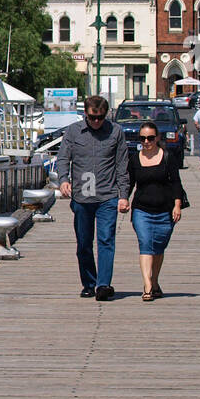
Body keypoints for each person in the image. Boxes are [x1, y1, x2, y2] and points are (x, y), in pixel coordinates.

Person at [55, 94, 130, 301]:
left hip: (108, 196)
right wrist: (63, 180)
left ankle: (103, 285)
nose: (96, 122)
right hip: (81, 197)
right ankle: (89, 283)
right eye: (92, 117)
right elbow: (63, 158)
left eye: (100, 117)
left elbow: (122, 167)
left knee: (106, 240)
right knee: (84, 243)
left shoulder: (116, 132)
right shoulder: (73, 132)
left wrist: (124, 195)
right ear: (85, 115)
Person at [127, 120, 185, 301]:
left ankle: (155, 280)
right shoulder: (134, 159)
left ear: (157, 138)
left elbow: (176, 182)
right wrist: (123, 200)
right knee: (145, 244)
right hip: (141, 210)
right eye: (143, 138)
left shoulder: (167, 157)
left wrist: (177, 205)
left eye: (150, 138)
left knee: (159, 246)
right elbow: (129, 184)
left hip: (165, 209)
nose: (146, 142)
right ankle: (147, 286)